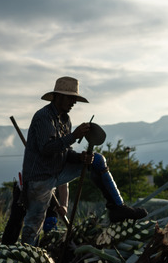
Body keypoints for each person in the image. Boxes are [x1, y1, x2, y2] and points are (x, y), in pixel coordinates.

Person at [19, 76, 147, 245]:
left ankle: (117, 207)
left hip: (58, 171)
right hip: (40, 177)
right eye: (70, 98)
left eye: (74, 99)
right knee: (34, 223)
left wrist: (80, 157)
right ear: (58, 96)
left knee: (97, 160)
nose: (73, 103)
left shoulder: (65, 119)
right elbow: (47, 149)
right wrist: (74, 136)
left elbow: (64, 151)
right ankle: (28, 255)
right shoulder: (44, 117)